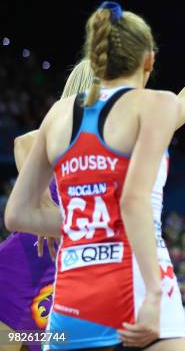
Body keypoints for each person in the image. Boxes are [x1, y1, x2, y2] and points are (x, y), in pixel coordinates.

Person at [4, 1, 185, 350]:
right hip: (135, 275)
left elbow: (16, 212)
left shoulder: (58, 118)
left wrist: (65, 215)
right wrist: (155, 291)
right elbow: (133, 199)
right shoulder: (152, 107)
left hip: (73, 287)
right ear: (149, 60)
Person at [0, 60, 94, 351]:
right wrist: (45, 207)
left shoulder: (112, 145)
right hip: (23, 263)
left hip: (64, 271)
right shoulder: (65, 131)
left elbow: (184, 104)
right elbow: (23, 143)